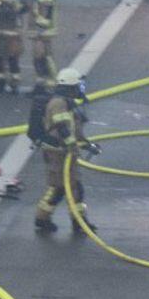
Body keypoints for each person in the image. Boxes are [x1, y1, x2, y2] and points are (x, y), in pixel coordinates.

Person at [31, 69, 95, 233]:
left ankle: (70, 220)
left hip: (65, 152)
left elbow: (74, 128)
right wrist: (72, 145)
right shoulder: (58, 103)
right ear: (70, 86)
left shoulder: (68, 103)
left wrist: (87, 144)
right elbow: (62, 127)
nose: (81, 88)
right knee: (63, 187)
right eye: (78, 85)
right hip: (58, 152)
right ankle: (72, 221)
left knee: (68, 187)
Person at [22, 0, 58, 93]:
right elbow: (28, 3)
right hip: (37, 28)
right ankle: (41, 84)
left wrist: (41, 26)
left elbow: (46, 8)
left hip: (44, 29)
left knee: (43, 56)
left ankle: (50, 85)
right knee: (38, 56)